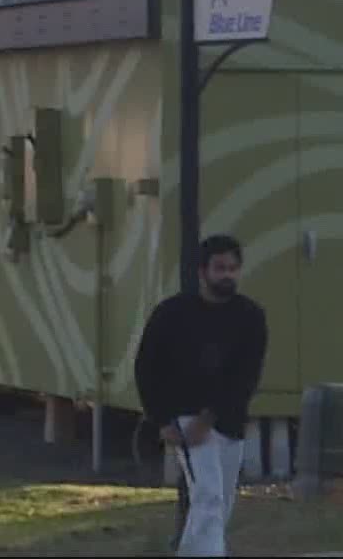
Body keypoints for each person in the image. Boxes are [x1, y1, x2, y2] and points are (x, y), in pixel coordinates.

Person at [133, 234, 269, 558]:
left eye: (233, 268)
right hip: (184, 417)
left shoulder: (250, 317)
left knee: (219, 503)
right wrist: (162, 420)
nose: (227, 275)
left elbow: (245, 376)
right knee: (208, 495)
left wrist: (211, 418)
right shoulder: (172, 314)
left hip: (228, 420)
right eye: (220, 268)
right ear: (202, 272)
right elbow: (146, 368)